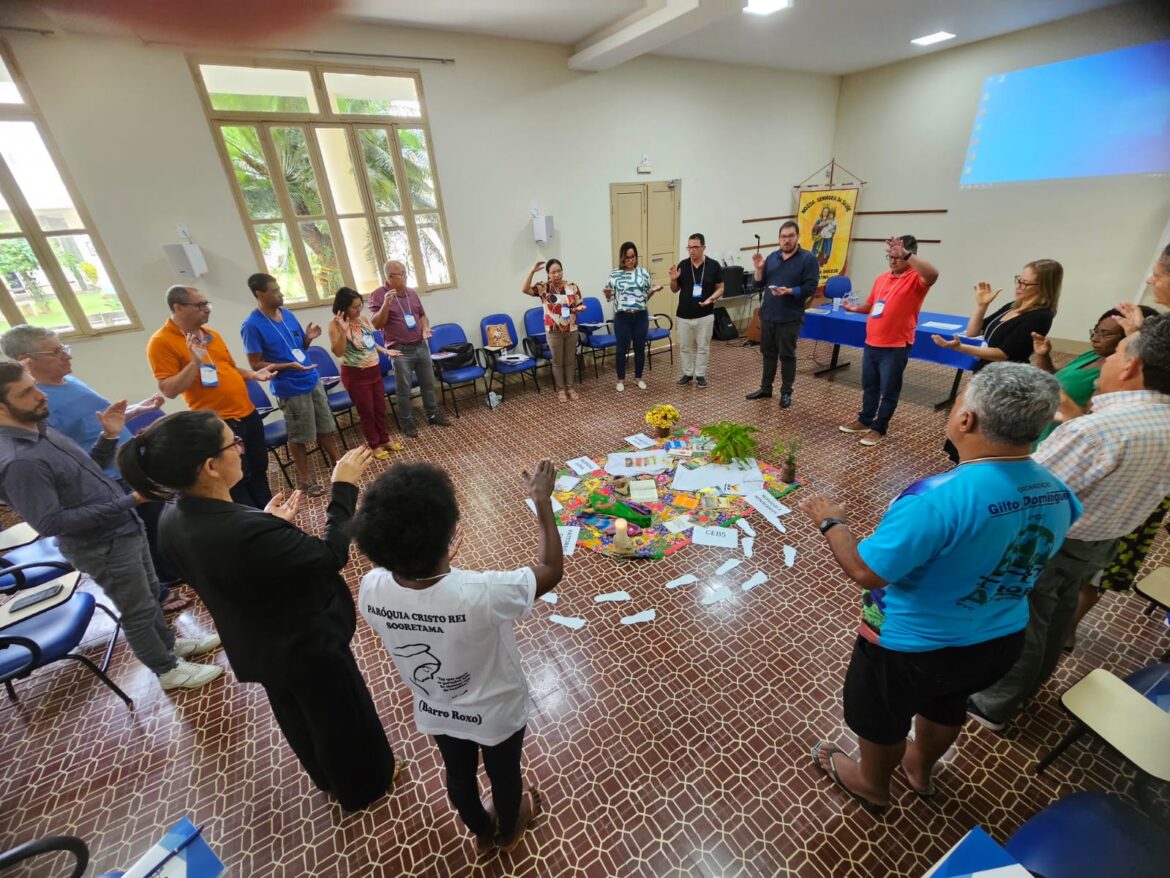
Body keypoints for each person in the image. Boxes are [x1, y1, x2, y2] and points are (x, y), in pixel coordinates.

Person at [799, 363, 1078, 814]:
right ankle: (920, 770)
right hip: (999, 638)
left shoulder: (935, 497)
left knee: (882, 717)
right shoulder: (1058, 490)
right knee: (948, 706)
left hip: (912, 647)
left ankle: (872, 783)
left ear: (965, 419)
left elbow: (869, 571)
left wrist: (831, 521)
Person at [119, 413, 398, 811]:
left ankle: (327, 778)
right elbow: (329, 555)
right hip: (304, 643)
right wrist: (343, 487)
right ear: (210, 466)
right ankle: (365, 785)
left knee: (298, 715)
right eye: (234, 444)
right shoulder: (243, 532)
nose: (241, 450)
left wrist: (267, 524)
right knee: (342, 718)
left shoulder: (173, 517)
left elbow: (230, 562)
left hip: (254, 640)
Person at [967, 315, 1170, 732]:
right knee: (1057, 611)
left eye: (1115, 353)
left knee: (1022, 617)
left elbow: (1023, 492)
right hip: (1103, 537)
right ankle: (1030, 685)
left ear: (1131, 366)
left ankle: (993, 703)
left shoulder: (1097, 432)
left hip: (1053, 539)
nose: (1106, 361)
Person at [354, 459, 564, 851]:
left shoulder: (370, 588)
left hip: (438, 710)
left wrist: (434, 560)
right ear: (449, 530)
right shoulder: (482, 592)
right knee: (505, 776)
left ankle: (481, 830)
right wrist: (541, 502)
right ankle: (508, 831)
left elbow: (410, 582)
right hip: (496, 711)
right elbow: (550, 568)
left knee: (458, 776)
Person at [0, 362, 223, 690]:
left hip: (122, 529)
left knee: (149, 596)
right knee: (137, 610)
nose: (40, 394)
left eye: (35, 385)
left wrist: (109, 436)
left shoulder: (40, 429)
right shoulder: (19, 460)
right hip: (101, 545)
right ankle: (167, 671)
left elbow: (86, 471)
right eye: (27, 391)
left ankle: (170, 646)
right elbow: (51, 522)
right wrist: (131, 500)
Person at [1, 324, 187, 606]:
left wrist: (136, 410)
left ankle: (165, 578)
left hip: (124, 464)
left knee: (151, 527)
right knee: (140, 542)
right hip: (106, 479)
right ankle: (160, 590)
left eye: (64, 347)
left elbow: (95, 418)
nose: (67, 355)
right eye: (56, 351)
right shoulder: (34, 411)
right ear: (28, 360)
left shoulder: (68, 382)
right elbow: (61, 470)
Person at [148, 284, 275, 508]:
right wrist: (195, 362)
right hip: (220, 423)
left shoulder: (211, 336)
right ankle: (249, 522)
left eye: (207, 303)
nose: (207, 309)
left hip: (247, 413)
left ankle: (269, 515)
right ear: (178, 307)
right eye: (200, 305)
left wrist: (253, 374)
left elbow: (228, 368)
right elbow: (169, 389)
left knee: (258, 468)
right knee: (237, 479)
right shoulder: (161, 342)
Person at [241, 273, 341, 496]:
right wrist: (289, 366)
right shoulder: (251, 325)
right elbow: (256, 364)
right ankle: (305, 479)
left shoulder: (286, 314)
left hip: (311, 379)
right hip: (290, 388)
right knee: (299, 436)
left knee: (326, 427)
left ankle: (338, 465)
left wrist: (307, 339)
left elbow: (298, 348)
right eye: (275, 290)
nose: (281, 293)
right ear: (260, 294)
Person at [837, 235, 939, 446]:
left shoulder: (916, 278)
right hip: (872, 342)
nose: (892, 261)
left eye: (897, 258)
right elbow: (872, 305)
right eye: (889, 257)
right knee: (869, 386)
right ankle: (865, 420)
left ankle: (879, 427)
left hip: (896, 346)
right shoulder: (882, 278)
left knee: (889, 390)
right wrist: (855, 309)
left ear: (910, 256)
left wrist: (907, 256)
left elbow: (933, 274)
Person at [1029, 306, 1156, 446]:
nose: (1095, 338)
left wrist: (1060, 400)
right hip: (1043, 425)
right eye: (1096, 331)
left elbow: (1091, 416)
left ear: (1127, 337)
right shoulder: (1092, 355)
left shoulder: (1117, 373)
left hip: (1063, 435)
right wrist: (1043, 355)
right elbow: (1058, 377)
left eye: (1105, 334)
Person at [369, 260, 451, 437]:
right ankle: (407, 422)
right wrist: (385, 304)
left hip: (420, 345)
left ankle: (433, 414)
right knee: (404, 390)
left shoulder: (411, 293)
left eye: (406, 273)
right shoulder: (378, 295)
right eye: (402, 274)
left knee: (428, 384)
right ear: (390, 277)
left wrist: (425, 328)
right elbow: (376, 324)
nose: (406, 277)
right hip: (399, 350)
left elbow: (421, 315)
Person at [931, 259, 1063, 369]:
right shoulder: (1012, 305)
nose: (1018, 286)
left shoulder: (1040, 316)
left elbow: (1002, 354)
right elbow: (973, 332)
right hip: (987, 369)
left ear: (1044, 287)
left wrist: (960, 347)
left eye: (1026, 284)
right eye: (1019, 280)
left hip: (1007, 375)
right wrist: (982, 306)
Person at [747, 220, 821, 408]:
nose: (786, 240)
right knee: (768, 354)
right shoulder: (772, 257)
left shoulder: (808, 259)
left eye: (790, 236)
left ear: (797, 237)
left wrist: (788, 291)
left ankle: (786, 392)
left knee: (787, 356)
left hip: (790, 316)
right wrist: (758, 269)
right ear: (779, 239)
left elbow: (810, 288)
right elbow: (758, 284)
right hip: (769, 315)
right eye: (783, 237)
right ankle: (766, 388)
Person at [327, 287, 402, 459]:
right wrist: (344, 330)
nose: (358, 310)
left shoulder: (363, 319)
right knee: (366, 411)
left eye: (360, 305)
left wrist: (384, 350)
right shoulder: (335, 324)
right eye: (354, 307)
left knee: (380, 408)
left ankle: (385, 439)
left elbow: (369, 342)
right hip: (356, 375)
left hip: (373, 371)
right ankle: (374, 444)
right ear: (343, 307)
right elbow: (338, 351)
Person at [522, 259, 584, 402]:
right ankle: (561, 390)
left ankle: (570, 387)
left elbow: (580, 305)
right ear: (548, 274)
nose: (557, 274)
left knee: (569, 361)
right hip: (553, 331)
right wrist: (532, 271)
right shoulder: (544, 288)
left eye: (559, 271)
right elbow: (525, 290)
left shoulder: (572, 287)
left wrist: (579, 309)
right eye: (553, 272)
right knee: (557, 362)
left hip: (571, 329)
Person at [604, 241, 662, 392]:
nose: (631, 260)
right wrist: (607, 293)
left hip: (640, 316)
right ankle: (620, 380)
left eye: (633, 257)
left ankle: (638, 377)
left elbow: (645, 296)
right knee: (621, 349)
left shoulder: (643, 273)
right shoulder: (615, 274)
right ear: (622, 258)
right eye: (628, 257)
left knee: (639, 348)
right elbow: (609, 297)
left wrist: (653, 290)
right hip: (622, 317)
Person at [667, 233, 724, 388]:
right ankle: (687, 373)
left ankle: (700, 374)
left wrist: (710, 299)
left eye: (695, 247)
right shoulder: (683, 265)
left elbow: (720, 288)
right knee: (685, 347)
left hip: (705, 315)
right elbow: (674, 289)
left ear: (703, 248)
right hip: (684, 314)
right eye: (689, 247)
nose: (691, 251)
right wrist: (673, 279)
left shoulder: (713, 265)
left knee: (703, 346)